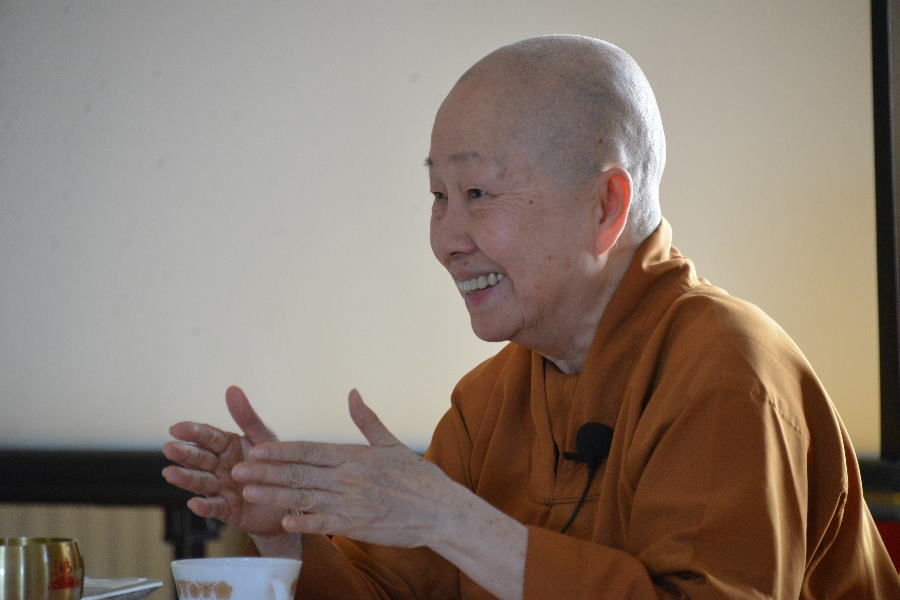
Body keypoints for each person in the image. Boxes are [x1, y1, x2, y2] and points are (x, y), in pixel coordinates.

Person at [162, 35, 900, 598]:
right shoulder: (491, 400)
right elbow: (396, 592)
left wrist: (455, 520)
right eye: (438, 197)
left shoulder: (728, 372)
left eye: (478, 194)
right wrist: (283, 537)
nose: (446, 240)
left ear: (605, 206)